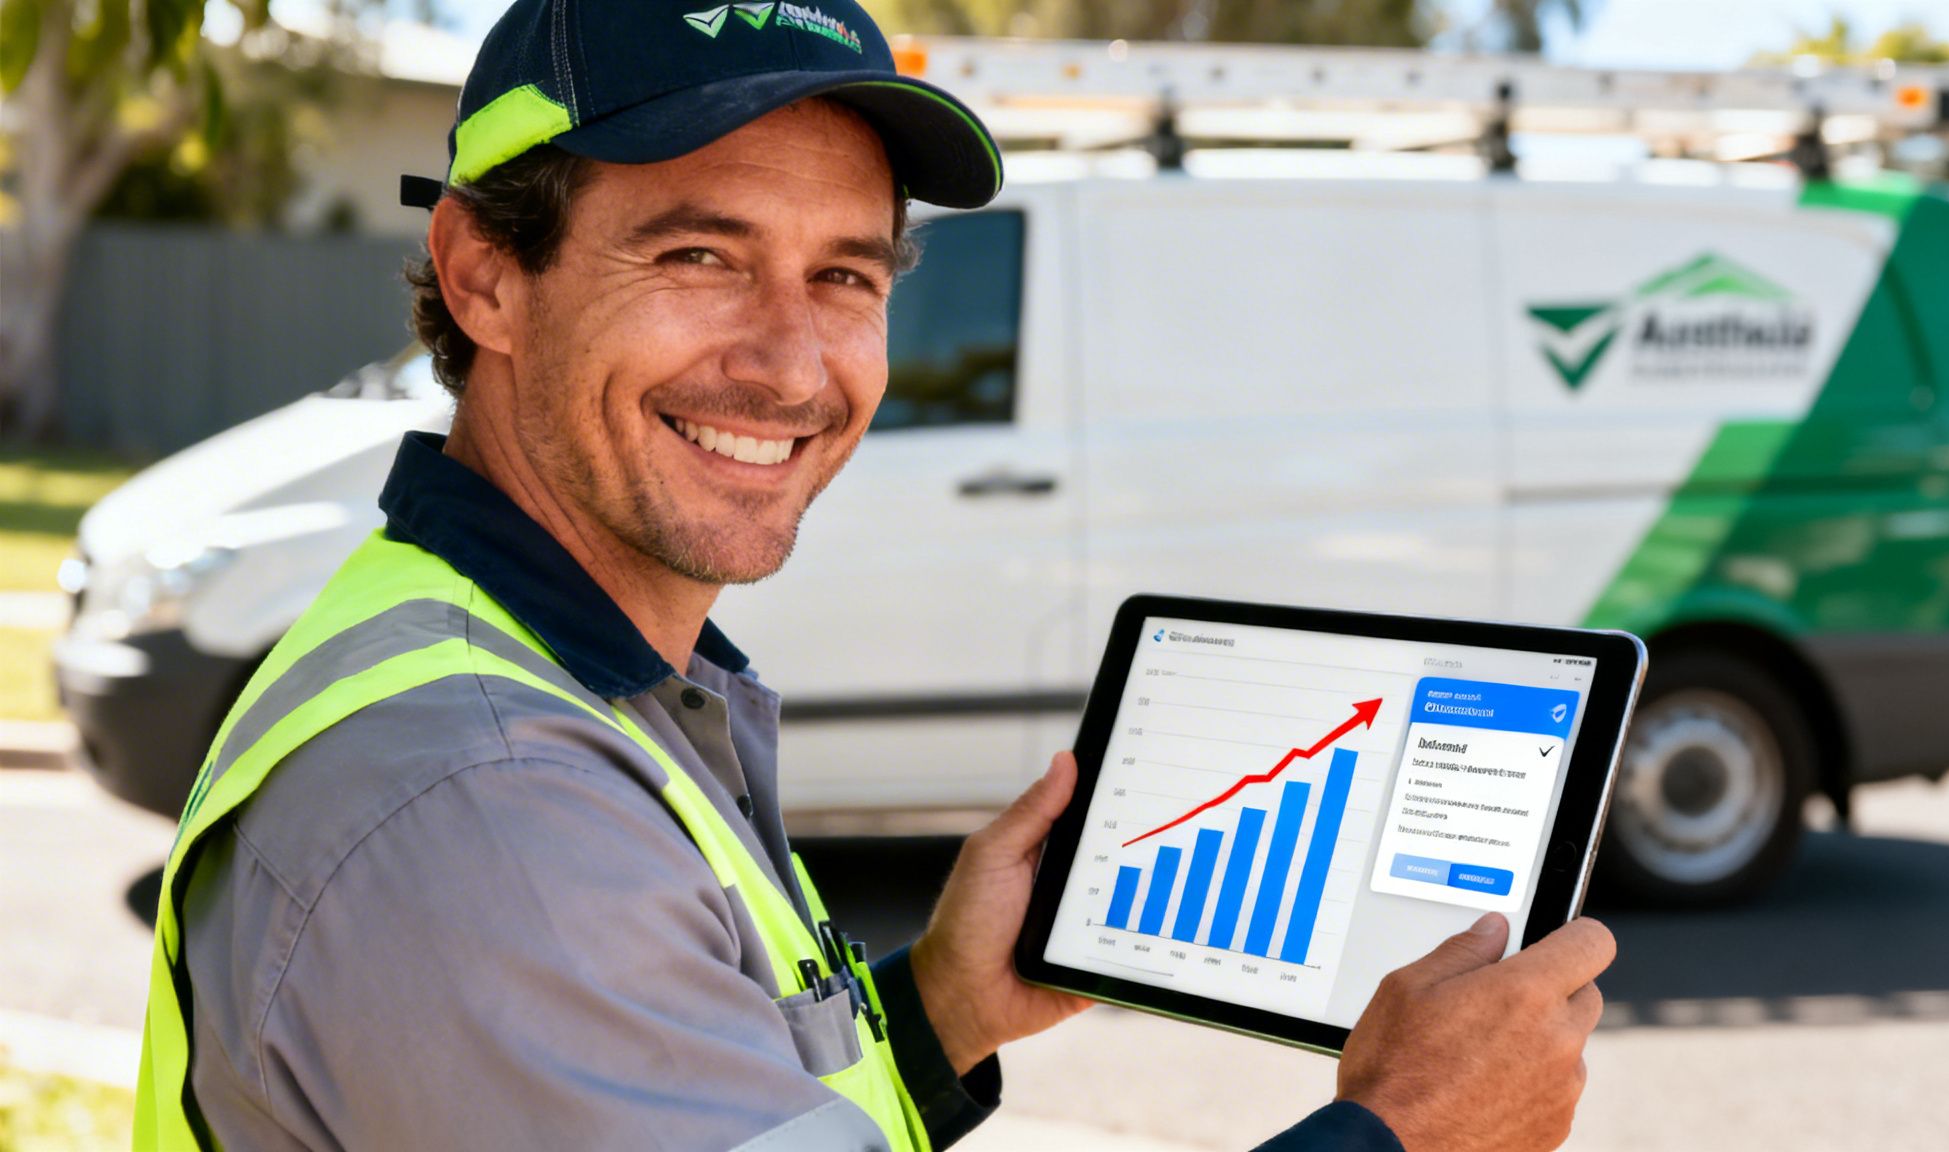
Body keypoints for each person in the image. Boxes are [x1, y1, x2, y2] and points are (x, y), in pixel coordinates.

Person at [134, 1, 1615, 1148]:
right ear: (484, 278)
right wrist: (1401, 1131)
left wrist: (939, 1013)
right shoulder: (483, 804)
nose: (793, 363)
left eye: (846, 274)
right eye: (701, 257)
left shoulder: (557, 677)